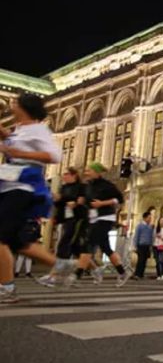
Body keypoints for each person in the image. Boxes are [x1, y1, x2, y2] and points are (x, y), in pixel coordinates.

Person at [0, 94, 66, 303]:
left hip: (24, 187)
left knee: (1, 239)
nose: (11, 104)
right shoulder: (21, 129)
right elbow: (8, 139)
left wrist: (19, 153)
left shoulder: (39, 129)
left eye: (15, 101)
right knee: (18, 242)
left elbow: (54, 155)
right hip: (9, 186)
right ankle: (62, 266)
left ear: (24, 106)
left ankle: (7, 288)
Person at [81, 162, 131, 287]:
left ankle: (77, 274)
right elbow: (87, 202)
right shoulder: (88, 186)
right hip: (94, 219)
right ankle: (122, 272)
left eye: (89, 170)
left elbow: (119, 198)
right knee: (106, 248)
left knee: (89, 244)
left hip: (106, 217)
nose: (86, 173)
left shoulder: (107, 185)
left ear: (96, 172)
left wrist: (102, 203)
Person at [37, 167, 88, 288]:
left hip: (77, 219)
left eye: (66, 174)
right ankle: (95, 269)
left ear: (74, 175)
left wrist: (73, 202)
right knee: (77, 249)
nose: (64, 176)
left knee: (64, 245)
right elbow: (61, 203)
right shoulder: (64, 188)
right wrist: (57, 201)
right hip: (66, 219)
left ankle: (53, 276)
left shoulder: (82, 187)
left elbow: (82, 200)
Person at [132, 211, 155, 280]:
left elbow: (151, 237)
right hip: (141, 245)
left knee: (144, 260)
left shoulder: (150, 227)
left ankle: (141, 274)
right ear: (144, 218)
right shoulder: (139, 226)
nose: (150, 219)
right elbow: (136, 236)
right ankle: (137, 274)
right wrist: (135, 245)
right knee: (140, 260)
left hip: (147, 246)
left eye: (150, 218)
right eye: (149, 218)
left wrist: (151, 245)